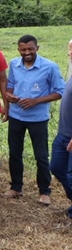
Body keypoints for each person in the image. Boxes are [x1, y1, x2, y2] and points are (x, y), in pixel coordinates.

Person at [5, 34, 63, 202]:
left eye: (30, 49)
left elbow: (60, 91)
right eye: (23, 49)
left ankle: (44, 191)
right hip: (16, 116)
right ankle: (16, 187)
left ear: (37, 48)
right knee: (15, 153)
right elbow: (10, 86)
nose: (27, 52)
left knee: (41, 155)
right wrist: (10, 96)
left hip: (38, 118)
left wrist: (36, 100)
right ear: (19, 50)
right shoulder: (14, 64)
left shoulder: (50, 67)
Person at [50, 39, 72, 216]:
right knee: (57, 167)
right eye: (69, 49)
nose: (69, 53)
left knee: (71, 175)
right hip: (63, 133)